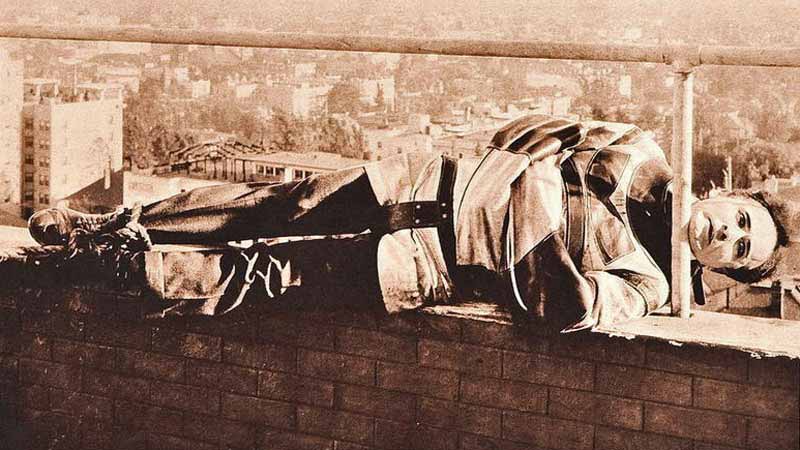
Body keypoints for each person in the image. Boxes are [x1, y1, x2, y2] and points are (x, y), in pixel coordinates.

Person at [26, 114, 792, 331]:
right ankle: (107, 227)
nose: (726, 235)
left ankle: (116, 269)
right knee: (267, 204)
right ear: (732, 196)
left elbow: (561, 305)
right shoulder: (643, 149)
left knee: (267, 276)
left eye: (739, 252)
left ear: (723, 273)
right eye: (740, 221)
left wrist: (530, 198)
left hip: (428, 261)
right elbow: (527, 134)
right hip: (423, 179)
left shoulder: (650, 285)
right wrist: (534, 202)